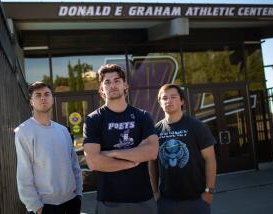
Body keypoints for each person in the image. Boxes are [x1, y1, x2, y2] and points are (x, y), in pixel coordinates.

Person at [83, 64, 159, 214]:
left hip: (143, 200)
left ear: (125, 85)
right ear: (101, 89)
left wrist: (111, 154)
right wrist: (134, 160)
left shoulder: (142, 116)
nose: (112, 85)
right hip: (109, 202)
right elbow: (93, 162)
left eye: (117, 81)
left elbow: (151, 152)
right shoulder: (94, 120)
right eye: (107, 82)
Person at [14, 82, 82, 214]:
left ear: (52, 99)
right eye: (38, 95)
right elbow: (24, 173)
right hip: (46, 206)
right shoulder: (24, 131)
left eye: (46, 94)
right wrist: (37, 207)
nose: (43, 98)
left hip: (72, 202)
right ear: (31, 102)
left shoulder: (62, 130)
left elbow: (74, 165)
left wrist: (78, 194)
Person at [149, 84, 217, 214]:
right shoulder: (155, 131)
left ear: (182, 101)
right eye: (164, 98)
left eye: (173, 97)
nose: (169, 101)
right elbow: (151, 163)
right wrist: (155, 192)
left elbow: (210, 159)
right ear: (160, 103)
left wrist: (209, 191)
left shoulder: (197, 127)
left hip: (196, 200)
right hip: (165, 201)